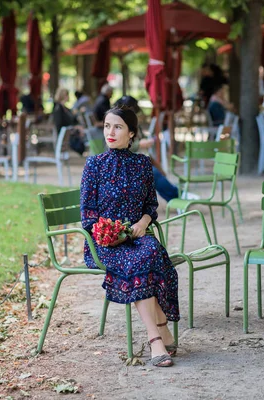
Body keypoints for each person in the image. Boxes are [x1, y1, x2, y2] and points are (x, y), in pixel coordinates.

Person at [80, 106, 179, 367]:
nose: (110, 132)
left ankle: (161, 327)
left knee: (151, 252)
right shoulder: (94, 165)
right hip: (105, 243)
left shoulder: (143, 164)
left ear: (131, 133)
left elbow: (150, 207)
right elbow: (88, 217)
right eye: (107, 126)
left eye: (118, 127)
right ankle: (156, 337)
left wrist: (144, 223)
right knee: (136, 262)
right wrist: (110, 234)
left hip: (136, 236)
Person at [114, 95, 181, 202]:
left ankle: (177, 196)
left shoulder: (134, 125)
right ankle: (177, 197)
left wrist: (156, 164)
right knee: (152, 173)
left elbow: (145, 152)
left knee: (155, 171)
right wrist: (139, 145)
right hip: (122, 165)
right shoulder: (115, 126)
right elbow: (115, 148)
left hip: (137, 161)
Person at [52, 87, 85, 155]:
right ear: (63, 96)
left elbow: (72, 120)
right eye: (67, 95)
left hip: (68, 133)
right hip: (65, 135)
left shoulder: (65, 108)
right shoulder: (58, 109)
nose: (68, 97)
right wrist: (74, 128)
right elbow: (60, 125)